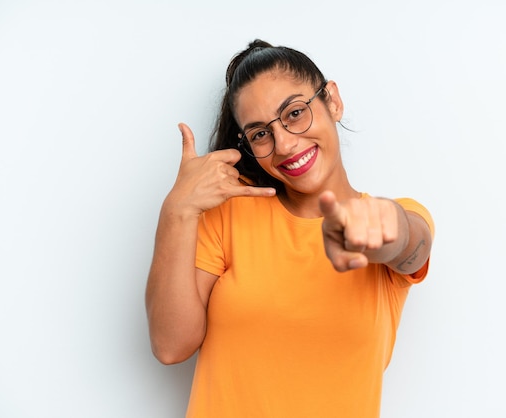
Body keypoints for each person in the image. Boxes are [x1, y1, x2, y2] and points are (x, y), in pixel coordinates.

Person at [145, 39, 435, 418]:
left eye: (295, 113)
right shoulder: (230, 213)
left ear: (332, 99)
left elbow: (412, 243)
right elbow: (170, 346)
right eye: (261, 134)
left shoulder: (393, 217)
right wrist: (177, 210)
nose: (283, 143)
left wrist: (386, 231)